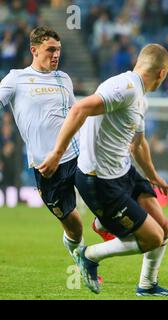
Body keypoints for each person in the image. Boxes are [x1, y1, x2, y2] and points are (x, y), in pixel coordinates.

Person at [37, 43, 168, 296]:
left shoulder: (139, 97)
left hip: (123, 171)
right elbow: (80, 109)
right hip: (99, 180)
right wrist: (57, 153)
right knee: (152, 238)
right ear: (162, 73)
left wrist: (153, 176)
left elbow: (138, 144)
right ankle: (89, 255)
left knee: (164, 227)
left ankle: (147, 285)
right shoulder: (124, 89)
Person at [0, 26, 85, 262]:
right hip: (46, 166)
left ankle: (106, 229)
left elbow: (75, 116)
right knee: (73, 226)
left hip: (75, 156)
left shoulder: (64, 79)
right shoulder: (15, 79)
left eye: (58, 50)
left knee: (102, 198)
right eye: (50, 50)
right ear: (34, 50)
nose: (56, 55)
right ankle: (77, 249)